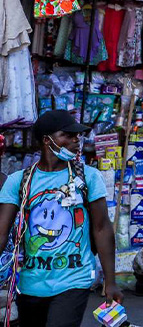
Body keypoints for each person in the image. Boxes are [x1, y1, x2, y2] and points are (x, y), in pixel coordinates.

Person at [0, 111, 122, 327]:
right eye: (68, 135)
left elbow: (102, 229)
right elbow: (1, 231)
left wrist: (110, 281)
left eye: (78, 135)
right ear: (47, 140)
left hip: (74, 281)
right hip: (30, 284)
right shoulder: (18, 181)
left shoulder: (88, 176)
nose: (77, 140)